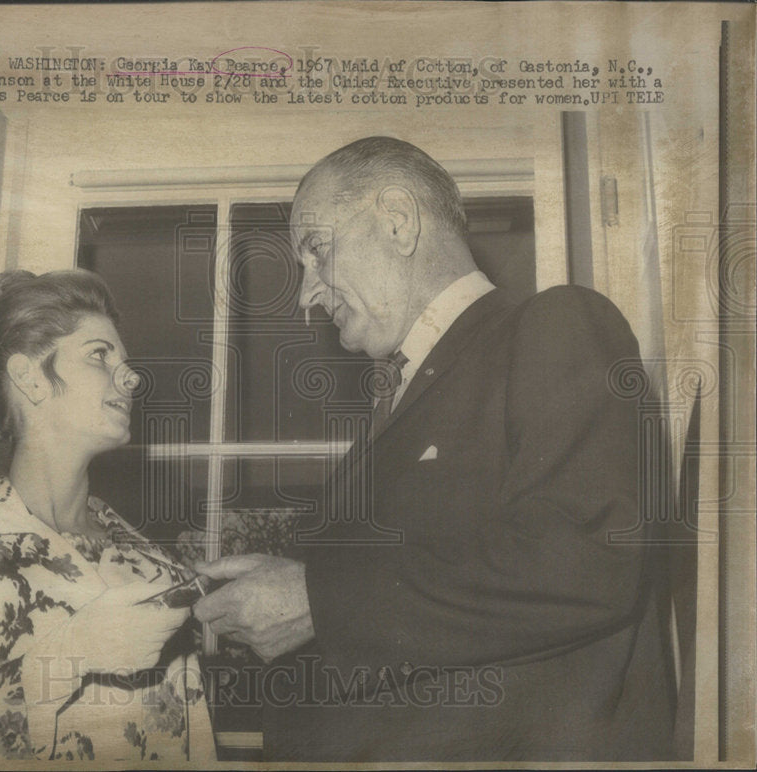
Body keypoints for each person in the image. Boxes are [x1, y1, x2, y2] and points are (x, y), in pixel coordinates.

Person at [193, 136, 676, 761]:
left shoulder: (555, 323)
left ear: (398, 220)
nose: (306, 294)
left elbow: (583, 558)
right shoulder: (394, 401)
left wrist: (315, 599)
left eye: (315, 251)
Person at [0, 269, 216, 761]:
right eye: (100, 354)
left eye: (126, 361)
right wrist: (65, 658)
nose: (131, 377)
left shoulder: (152, 565)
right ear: (29, 376)